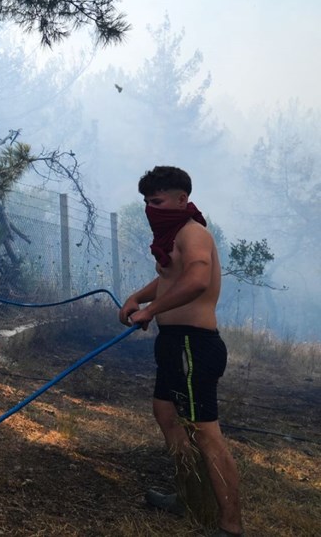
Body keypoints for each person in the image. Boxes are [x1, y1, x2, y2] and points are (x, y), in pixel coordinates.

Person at [117, 166, 243, 537]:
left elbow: (196, 279)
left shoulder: (194, 233)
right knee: (165, 414)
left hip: (194, 344)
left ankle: (231, 527)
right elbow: (171, 278)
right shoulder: (174, 236)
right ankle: (188, 497)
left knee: (205, 432)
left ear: (181, 199)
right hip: (173, 343)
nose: (149, 208)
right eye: (145, 202)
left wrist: (151, 310)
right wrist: (138, 297)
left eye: (156, 201)